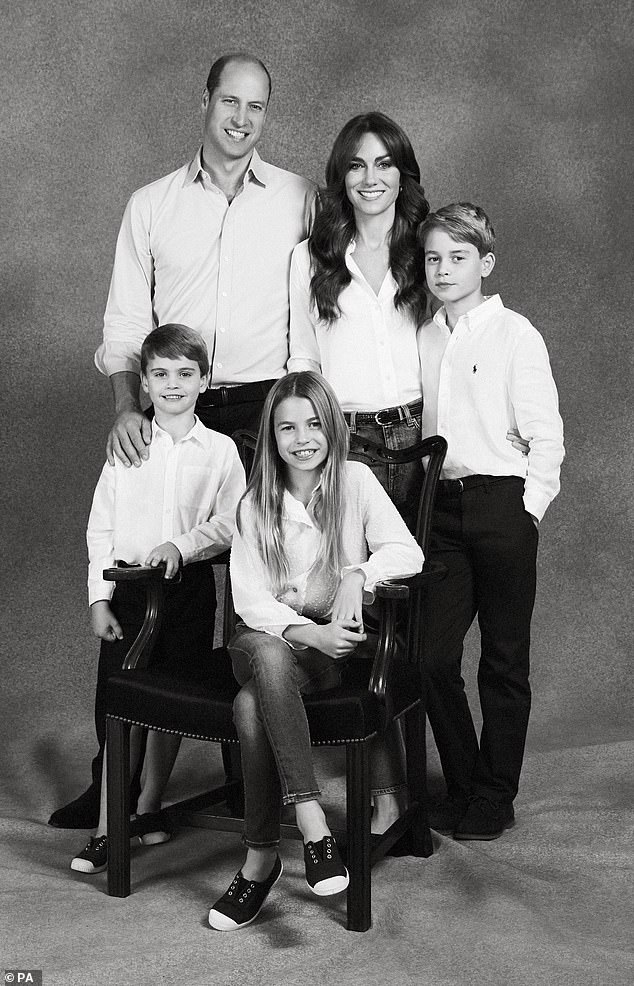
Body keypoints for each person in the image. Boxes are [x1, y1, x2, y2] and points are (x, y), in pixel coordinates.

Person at [49, 52, 315, 829]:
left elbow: (322, 306)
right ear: (204, 102)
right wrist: (128, 406)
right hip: (172, 410)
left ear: (268, 115)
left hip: (265, 413)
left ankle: (252, 775)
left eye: (256, 107)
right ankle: (116, 787)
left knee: (256, 593)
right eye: (229, 102)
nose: (241, 119)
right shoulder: (152, 205)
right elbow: (127, 326)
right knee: (147, 585)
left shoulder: (300, 199)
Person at [207, 371, 423, 931]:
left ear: (330, 427)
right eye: (286, 428)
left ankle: (259, 862)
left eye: (312, 424)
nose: (302, 438)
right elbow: (252, 604)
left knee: (251, 707)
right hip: (259, 644)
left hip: (320, 657)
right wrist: (315, 634)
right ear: (271, 436)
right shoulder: (256, 503)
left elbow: (408, 551)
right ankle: (312, 822)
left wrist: (358, 573)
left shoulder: (355, 482)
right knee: (268, 652)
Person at [69, 324, 246, 873]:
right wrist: (99, 598)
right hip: (130, 593)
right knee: (119, 705)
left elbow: (230, 522)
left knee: (171, 702)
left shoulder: (220, 451)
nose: (173, 384)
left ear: (204, 379)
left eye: (186, 374)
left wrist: (184, 545)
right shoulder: (128, 442)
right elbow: (101, 528)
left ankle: (148, 809)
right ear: (143, 381)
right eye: (161, 374)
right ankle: (108, 825)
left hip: (188, 590)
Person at [417, 203, 565, 840]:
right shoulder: (423, 335)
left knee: (502, 660)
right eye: (433, 258)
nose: (444, 270)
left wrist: (525, 515)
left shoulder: (515, 334)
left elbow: (547, 438)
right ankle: (466, 779)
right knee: (428, 658)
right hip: (442, 509)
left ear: (485, 262)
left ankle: (495, 796)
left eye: (457, 257)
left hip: (503, 504)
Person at [288, 112, 429, 531]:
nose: (370, 178)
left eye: (384, 164)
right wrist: (309, 436)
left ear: (402, 175)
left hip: (424, 435)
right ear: (342, 177)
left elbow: (461, 343)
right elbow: (304, 360)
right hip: (346, 440)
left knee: (420, 577)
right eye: (357, 165)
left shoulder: (428, 251)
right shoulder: (309, 258)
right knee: (352, 580)